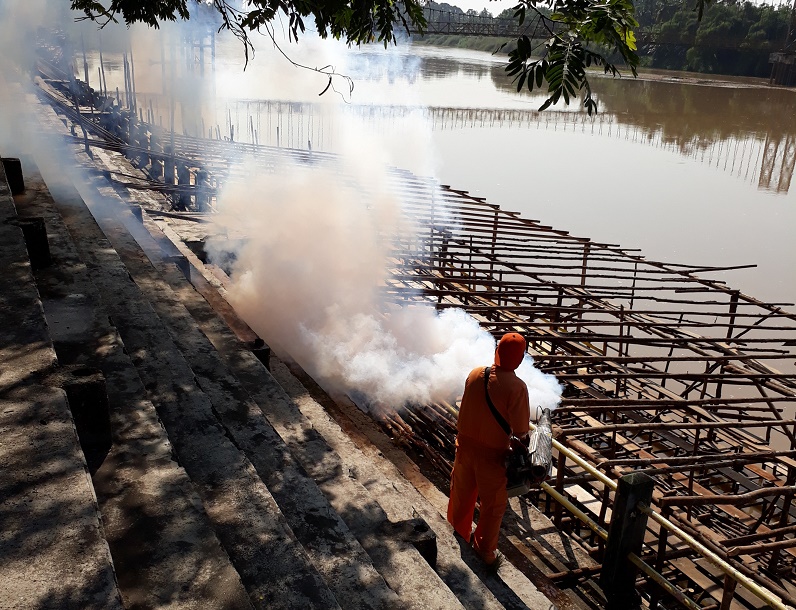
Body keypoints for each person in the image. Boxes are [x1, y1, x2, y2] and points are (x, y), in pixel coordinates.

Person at [446, 332, 531, 566]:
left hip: (463, 447)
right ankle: (484, 552)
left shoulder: (475, 373)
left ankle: (456, 536)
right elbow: (522, 430)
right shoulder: (517, 387)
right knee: (493, 506)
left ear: (498, 351)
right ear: (520, 359)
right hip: (491, 457)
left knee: (461, 497)